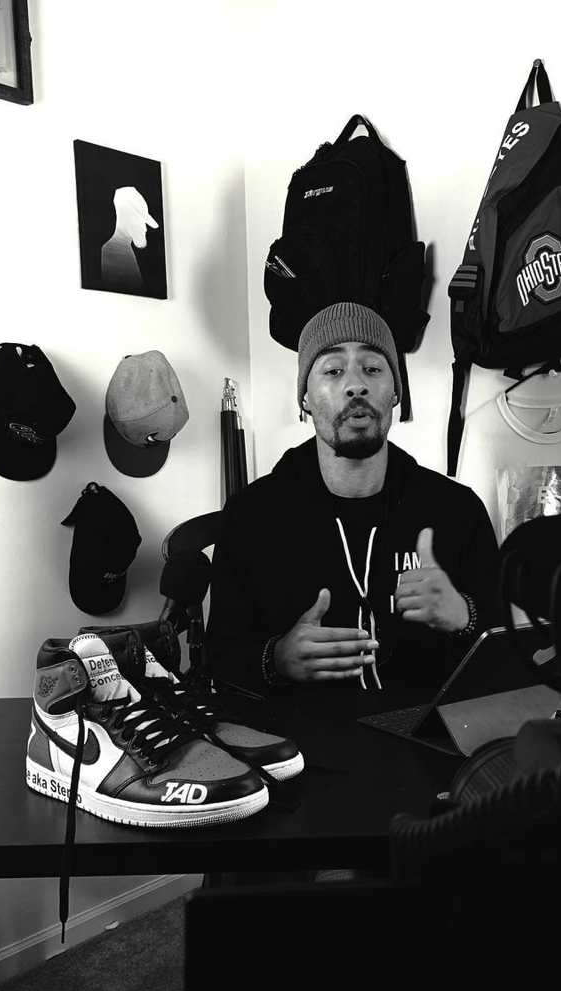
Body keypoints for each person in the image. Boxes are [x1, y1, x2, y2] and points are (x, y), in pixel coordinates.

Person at [206, 302, 500, 698]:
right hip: (299, 731)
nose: (355, 385)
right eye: (333, 370)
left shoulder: (457, 510)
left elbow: (505, 656)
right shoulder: (251, 516)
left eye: (373, 368)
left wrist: (464, 616)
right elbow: (219, 662)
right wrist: (275, 660)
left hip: (430, 729)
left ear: (395, 392)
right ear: (305, 398)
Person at [100, 186, 159, 294]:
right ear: (128, 217)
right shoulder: (115, 251)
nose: (145, 229)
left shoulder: (121, 248)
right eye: (141, 221)